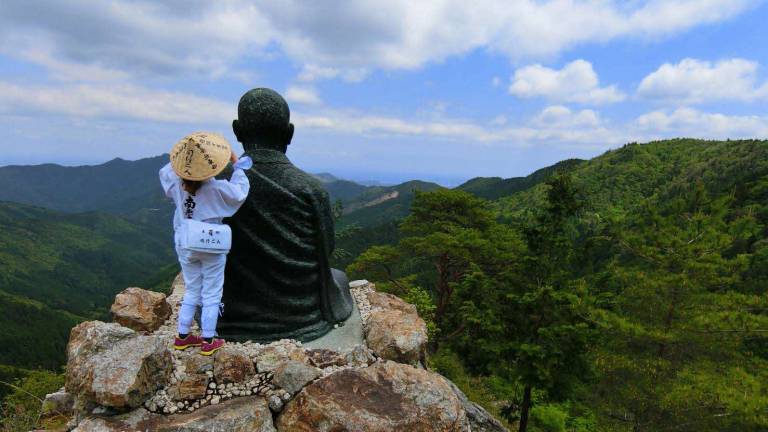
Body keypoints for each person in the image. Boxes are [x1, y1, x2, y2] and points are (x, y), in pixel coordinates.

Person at [159, 132, 251, 355]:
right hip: (211, 243)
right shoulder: (217, 188)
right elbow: (240, 193)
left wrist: (188, 152)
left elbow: (166, 170)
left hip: (185, 242)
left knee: (192, 289)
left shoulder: (176, 184)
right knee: (212, 292)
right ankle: (208, 339)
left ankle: (183, 336)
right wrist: (236, 164)